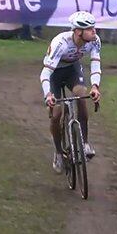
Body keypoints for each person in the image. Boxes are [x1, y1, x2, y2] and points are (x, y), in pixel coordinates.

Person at [40, 11, 102, 173]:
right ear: (77, 32)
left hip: (72, 70)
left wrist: (95, 86)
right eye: (89, 29)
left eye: (93, 28)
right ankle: (59, 152)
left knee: (82, 95)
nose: (94, 32)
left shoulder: (94, 41)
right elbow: (45, 73)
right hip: (54, 74)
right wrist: (48, 95)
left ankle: (85, 143)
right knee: (56, 114)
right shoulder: (61, 43)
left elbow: (95, 64)